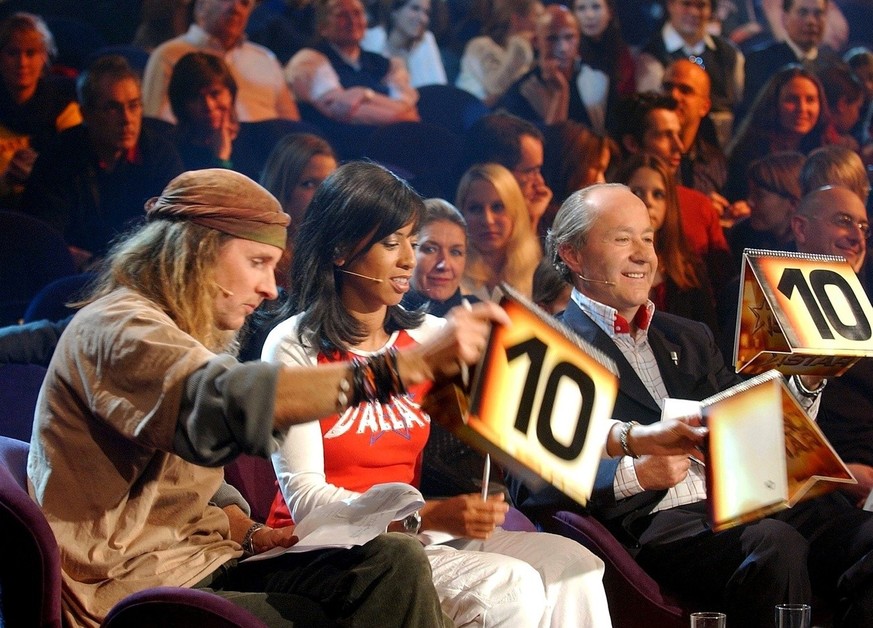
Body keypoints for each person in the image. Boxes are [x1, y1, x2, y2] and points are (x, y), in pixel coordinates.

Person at [27, 166, 509, 628]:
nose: (270, 288)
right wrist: (408, 367)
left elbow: (184, 479)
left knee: (391, 560)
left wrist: (250, 530)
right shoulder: (121, 329)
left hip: (208, 562)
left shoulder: (183, 332)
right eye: (257, 263)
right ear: (194, 252)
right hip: (135, 591)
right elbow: (230, 405)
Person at [262, 160, 707, 628]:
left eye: (411, 243)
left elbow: (545, 420)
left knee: (574, 566)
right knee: (508, 586)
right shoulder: (295, 345)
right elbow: (307, 503)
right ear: (339, 249)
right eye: (391, 244)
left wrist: (639, 438)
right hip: (327, 550)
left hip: (419, 535)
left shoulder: (430, 336)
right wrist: (426, 515)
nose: (409, 261)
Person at [508, 182, 873, 628]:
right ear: (572, 255)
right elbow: (529, 479)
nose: (643, 253)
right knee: (775, 544)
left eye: (648, 237)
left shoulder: (689, 335)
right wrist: (635, 473)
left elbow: (745, 420)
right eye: (622, 239)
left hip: (741, 499)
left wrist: (806, 381)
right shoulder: (547, 348)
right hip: (654, 523)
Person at [21, 55, 183, 268]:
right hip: (75, 276)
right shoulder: (58, 157)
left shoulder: (160, 155)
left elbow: (175, 233)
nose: (127, 119)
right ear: (85, 114)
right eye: (112, 108)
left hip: (143, 272)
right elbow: (46, 240)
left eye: (134, 106)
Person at [792, 186, 873, 505]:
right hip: (822, 489)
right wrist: (836, 475)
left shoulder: (864, 309)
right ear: (800, 227)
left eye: (864, 227)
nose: (857, 236)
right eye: (843, 221)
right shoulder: (763, 298)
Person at [613, 92, 733, 292]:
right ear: (632, 143)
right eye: (665, 135)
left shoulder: (700, 207)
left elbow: (723, 288)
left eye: (678, 134)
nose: (679, 146)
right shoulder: (601, 209)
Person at [142, 0, 299, 124]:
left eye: (244, 3)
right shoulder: (169, 55)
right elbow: (158, 124)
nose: (235, 8)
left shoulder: (265, 58)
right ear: (201, 5)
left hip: (265, 155)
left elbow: (290, 127)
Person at [614, 153, 718, 334]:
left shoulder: (689, 271)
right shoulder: (603, 263)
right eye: (637, 192)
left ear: (669, 204)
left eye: (658, 194)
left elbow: (709, 340)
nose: (648, 201)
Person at [284, 0, 419, 127]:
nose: (352, 21)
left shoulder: (385, 65)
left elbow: (410, 110)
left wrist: (363, 94)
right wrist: (401, 115)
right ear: (322, 27)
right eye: (342, 15)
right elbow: (339, 110)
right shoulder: (310, 61)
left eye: (357, 13)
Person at [0, 12, 81, 205]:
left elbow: (78, 177)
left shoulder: (63, 107)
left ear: (44, 56)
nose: (22, 63)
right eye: (13, 53)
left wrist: (39, 174)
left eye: (30, 53)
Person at [498, 5, 615, 134]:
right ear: (536, 41)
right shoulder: (522, 90)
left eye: (569, 37)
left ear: (578, 39)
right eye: (552, 39)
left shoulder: (598, 80)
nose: (563, 48)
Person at [726, 64, 830, 202]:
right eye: (792, 99)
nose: (802, 108)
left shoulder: (826, 152)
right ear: (773, 104)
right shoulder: (747, 153)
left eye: (810, 100)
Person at [636, 0, 745, 119]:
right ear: (670, 5)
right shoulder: (651, 56)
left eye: (701, 5)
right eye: (686, 4)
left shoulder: (729, 54)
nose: (694, 12)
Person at [454, 112, 552, 233]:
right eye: (530, 171)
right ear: (497, 171)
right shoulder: (452, 228)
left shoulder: (548, 219)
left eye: (538, 170)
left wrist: (532, 219)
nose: (540, 182)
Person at [456, 162, 542, 298]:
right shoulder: (450, 276)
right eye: (476, 208)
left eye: (497, 207)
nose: (488, 220)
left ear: (516, 212)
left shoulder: (540, 276)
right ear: (461, 214)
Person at [743, 0, 840, 113]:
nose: (811, 21)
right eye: (803, 13)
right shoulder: (760, 61)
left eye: (818, 14)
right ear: (785, 18)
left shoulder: (834, 66)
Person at [662, 58, 729, 203]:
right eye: (667, 87)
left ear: (704, 107)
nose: (673, 95)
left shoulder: (716, 163)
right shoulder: (643, 155)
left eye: (685, 90)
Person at [726, 151, 805, 269]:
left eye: (759, 195)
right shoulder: (743, 236)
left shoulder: (811, 250)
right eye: (750, 192)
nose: (749, 202)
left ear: (793, 203)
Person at [403, 197, 479, 317]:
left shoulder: (482, 316)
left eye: (455, 252)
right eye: (430, 249)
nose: (444, 265)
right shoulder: (385, 319)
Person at [455, 0, 540, 106]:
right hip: (470, 118)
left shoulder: (528, 58)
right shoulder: (480, 46)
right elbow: (495, 87)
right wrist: (521, 44)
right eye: (538, 16)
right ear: (517, 19)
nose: (543, 22)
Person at [167, 51, 240, 171]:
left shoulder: (258, 137)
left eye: (215, 94)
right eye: (196, 97)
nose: (209, 106)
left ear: (231, 93)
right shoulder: (170, 151)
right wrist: (221, 158)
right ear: (182, 104)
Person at [362, 0, 448, 87]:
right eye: (415, 9)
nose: (423, 19)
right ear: (394, 11)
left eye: (426, 13)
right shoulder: (371, 39)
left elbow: (440, 89)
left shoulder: (426, 42)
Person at [572, 0, 635, 102]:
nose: (589, 15)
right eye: (581, 8)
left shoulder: (623, 54)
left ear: (610, 12)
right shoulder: (570, 54)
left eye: (596, 7)